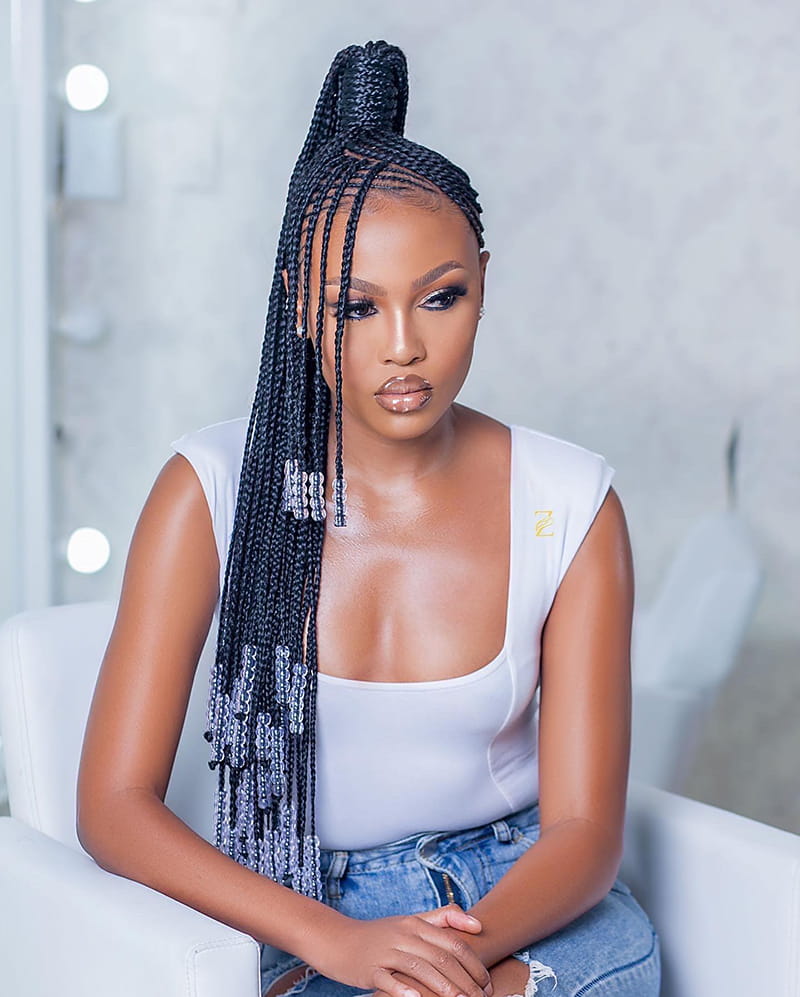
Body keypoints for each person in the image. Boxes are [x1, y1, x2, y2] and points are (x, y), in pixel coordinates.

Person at [76, 40, 661, 997]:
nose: (404, 348)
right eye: (356, 306)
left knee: (607, 968)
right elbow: (112, 804)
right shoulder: (212, 491)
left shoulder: (572, 503)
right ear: (303, 307)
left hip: (518, 900)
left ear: (483, 280)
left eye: (441, 297)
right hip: (301, 903)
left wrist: (450, 959)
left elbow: (586, 833)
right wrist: (338, 944)